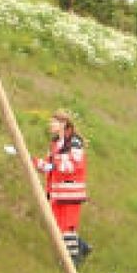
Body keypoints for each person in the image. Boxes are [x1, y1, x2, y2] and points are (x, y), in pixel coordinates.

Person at [35, 110, 91, 264]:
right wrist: (32, 161)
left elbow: (74, 166)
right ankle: (82, 248)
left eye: (53, 122)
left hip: (71, 193)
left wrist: (55, 164)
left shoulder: (75, 142)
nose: (50, 125)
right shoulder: (54, 143)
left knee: (67, 228)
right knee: (58, 227)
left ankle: (73, 261)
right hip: (57, 193)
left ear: (63, 124)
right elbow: (48, 166)